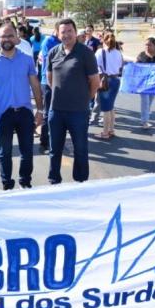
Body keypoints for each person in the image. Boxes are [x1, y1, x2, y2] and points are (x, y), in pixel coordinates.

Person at [0, 23, 43, 190]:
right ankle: (7, 185)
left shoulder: (26, 59)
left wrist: (40, 110)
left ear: (17, 38)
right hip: (4, 114)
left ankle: (25, 183)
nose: (7, 39)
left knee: (27, 152)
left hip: (24, 113)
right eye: (3, 36)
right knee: (5, 153)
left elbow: (35, 86)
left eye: (10, 36)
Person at [46, 18, 99, 184]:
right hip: (56, 111)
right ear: (58, 34)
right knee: (55, 150)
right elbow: (50, 79)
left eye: (70, 31)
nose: (67, 34)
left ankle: (81, 182)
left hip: (78, 111)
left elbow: (95, 82)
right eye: (63, 32)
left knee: (81, 149)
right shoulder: (53, 52)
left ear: (76, 32)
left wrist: (85, 99)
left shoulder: (86, 53)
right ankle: (54, 181)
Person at [92, 32, 123, 139]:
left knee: (105, 109)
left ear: (103, 40)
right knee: (111, 107)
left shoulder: (100, 52)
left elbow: (94, 66)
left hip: (105, 81)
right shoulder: (118, 52)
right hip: (116, 80)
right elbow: (119, 67)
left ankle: (105, 133)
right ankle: (111, 130)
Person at [38, 23, 61, 154]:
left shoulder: (62, 41)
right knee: (47, 113)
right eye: (61, 31)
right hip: (48, 82)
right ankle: (44, 142)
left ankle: (55, 140)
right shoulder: (49, 41)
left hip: (61, 83)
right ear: (56, 30)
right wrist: (50, 82)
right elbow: (47, 63)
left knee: (58, 113)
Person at [136, 37, 155, 129]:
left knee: (149, 102)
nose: (147, 46)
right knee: (145, 102)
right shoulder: (141, 55)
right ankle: (144, 121)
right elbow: (134, 66)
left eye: (149, 45)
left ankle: (145, 117)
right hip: (143, 84)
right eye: (146, 44)